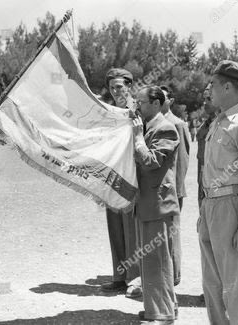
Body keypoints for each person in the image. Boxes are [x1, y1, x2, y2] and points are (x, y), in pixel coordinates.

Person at [199, 60, 238, 324]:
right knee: (212, 285)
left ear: (227, 86)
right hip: (212, 206)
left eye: (212, 84)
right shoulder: (218, 122)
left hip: (233, 205)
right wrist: (205, 210)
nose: (208, 89)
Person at [131, 86, 179, 324]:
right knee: (150, 262)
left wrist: (138, 138)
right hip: (147, 203)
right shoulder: (149, 127)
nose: (137, 106)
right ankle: (159, 308)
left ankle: (163, 314)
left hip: (159, 205)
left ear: (157, 103)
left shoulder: (166, 128)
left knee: (158, 261)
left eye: (141, 102)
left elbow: (151, 161)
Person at [99, 68, 141, 298]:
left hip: (132, 175)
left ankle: (134, 278)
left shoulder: (137, 110)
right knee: (115, 226)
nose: (116, 91)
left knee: (131, 228)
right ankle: (119, 276)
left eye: (120, 87)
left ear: (129, 86)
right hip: (112, 176)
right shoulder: (109, 112)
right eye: (112, 87)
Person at [160, 85, 190, 287]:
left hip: (172, 190)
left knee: (171, 233)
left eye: (162, 98)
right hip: (155, 189)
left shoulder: (177, 123)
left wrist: (176, 189)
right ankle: (161, 275)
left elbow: (183, 160)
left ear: (170, 100)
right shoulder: (153, 122)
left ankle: (174, 275)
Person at [196, 84, 218, 208]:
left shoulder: (227, 126)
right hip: (203, 183)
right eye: (204, 99)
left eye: (209, 99)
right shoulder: (203, 128)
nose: (205, 103)